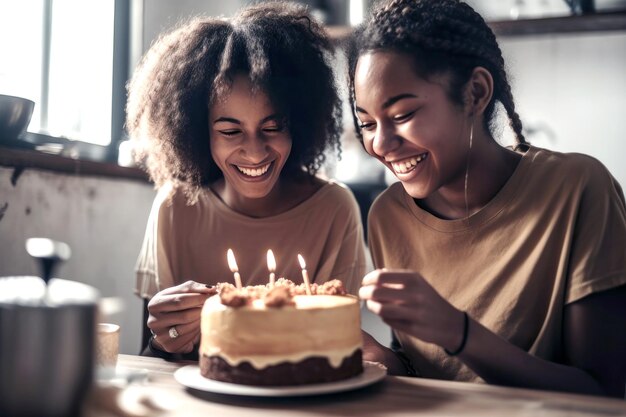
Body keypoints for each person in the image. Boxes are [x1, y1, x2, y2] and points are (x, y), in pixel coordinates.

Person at [349, 0, 626, 397]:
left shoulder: (578, 188)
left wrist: (459, 332)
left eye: (403, 114)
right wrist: (386, 362)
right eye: (367, 123)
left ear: (476, 93)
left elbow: (604, 394)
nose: (380, 143)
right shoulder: (388, 215)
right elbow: (430, 373)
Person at [127, 1, 367, 357]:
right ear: (197, 131)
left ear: (298, 123)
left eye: (272, 127)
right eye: (230, 131)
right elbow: (151, 356)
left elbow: (337, 351)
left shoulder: (333, 209)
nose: (255, 152)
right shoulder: (176, 206)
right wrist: (165, 338)